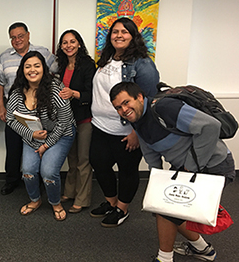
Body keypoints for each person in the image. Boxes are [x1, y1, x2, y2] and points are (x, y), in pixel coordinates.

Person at [110, 82, 235, 262]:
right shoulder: (138, 120)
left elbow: (210, 127)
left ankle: (165, 258)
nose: (124, 110)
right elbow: (150, 153)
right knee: (165, 205)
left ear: (139, 97)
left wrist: (190, 167)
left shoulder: (165, 108)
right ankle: (203, 250)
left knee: (168, 212)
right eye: (118, 108)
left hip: (214, 164)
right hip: (186, 168)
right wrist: (156, 183)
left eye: (126, 102)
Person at [89, 17, 159, 227]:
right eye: (115, 32)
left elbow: (149, 101)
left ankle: (122, 209)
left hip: (126, 130)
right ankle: (111, 202)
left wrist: (137, 132)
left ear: (133, 36)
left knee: (127, 170)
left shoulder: (142, 63)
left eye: (124, 32)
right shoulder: (106, 58)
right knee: (99, 165)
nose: (119, 35)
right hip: (100, 126)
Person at [6, 51, 75, 221]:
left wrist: (46, 144)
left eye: (37, 66)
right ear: (22, 70)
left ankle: (55, 203)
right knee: (28, 171)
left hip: (61, 134)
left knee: (48, 172)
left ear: (43, 68)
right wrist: (31, 134)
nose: (32, 70)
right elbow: (10, 119)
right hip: (33, 137)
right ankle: (35, 200)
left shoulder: (55, 88)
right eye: (28, 66)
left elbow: (65, 121)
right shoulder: (16, 92)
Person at [0, 22, 55, 195]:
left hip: (39, 110)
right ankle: (12, 180)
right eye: (13, 37)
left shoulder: (43, 53)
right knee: (13, 146)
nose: (17, 40)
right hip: (13, 109)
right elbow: (1, 84)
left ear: (28, 35)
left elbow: (56, 73)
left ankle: (37, 180)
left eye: (21, 36)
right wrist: (1, 106)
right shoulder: (4, 57)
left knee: (38, 144)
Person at [56, 30, 96, 213]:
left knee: (83, 160)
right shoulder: (61, 64)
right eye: (65, 42)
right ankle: (70, 192)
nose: (68, 45)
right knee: (71, 159)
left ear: (79, 43)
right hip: (66, 119)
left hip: (84, 118)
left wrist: (73, 93)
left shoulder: (88, 64)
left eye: (72, 42)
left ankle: (82, 198)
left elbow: (92, 93)